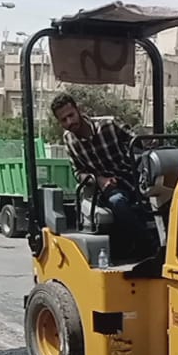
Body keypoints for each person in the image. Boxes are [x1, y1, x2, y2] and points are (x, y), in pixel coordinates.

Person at [51, 93, 151, 257]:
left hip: (133, 178)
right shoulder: (69, 140)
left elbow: (136, 143)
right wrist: (99, 180)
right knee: (117, 201)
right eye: (63, 120)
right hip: (107, 190)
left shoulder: (108, 125)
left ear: (79, 111)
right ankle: (147, 246)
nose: (69, 122)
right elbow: (79, 173)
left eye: (71, 115)